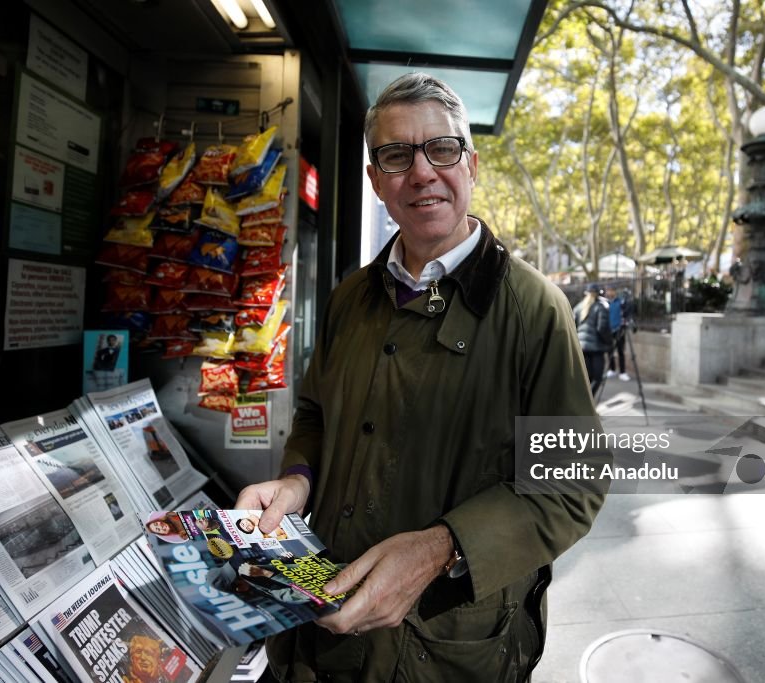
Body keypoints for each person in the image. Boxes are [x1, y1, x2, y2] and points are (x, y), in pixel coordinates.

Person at [234, 73, 608, 682]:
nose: (422, 171)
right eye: (396, 155)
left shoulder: (533, 309)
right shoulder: (348, 298)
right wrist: (296, 483)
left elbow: (572, 483)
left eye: (442, 148)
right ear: (375, 180)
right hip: (318, 640)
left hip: (444, 653)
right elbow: (315, 415)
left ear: (471, 165)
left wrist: (443, 546)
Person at [574, 284, 612, 396]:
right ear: (598, 294)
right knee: (597, 378)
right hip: (596, 349)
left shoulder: (578, 307)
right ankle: (589, 405)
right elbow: (602, 328)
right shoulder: (601, 307)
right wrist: (609, 343)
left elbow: (572, 326)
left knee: (586, 379)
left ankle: (583, 404)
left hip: (582, 348)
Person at [605, 288, 635, 381]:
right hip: (608, 330)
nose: (609, 292)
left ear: (615, 292)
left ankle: (622, 372)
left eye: (611, 290)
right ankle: (612, 369)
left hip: (619, 330)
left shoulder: (621, 302)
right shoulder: (606, 303)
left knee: (620, 351)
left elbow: (628, 312)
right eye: (608, 291)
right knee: (610, 351)